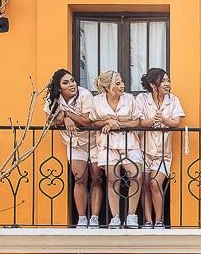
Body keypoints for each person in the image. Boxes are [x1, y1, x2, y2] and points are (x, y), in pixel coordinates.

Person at [43, 69, 103, 227]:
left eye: (72, 80)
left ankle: (95, 218)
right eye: (66, 83)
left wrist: (67, 115)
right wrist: (60, 116)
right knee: (79, 179)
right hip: (73, 143)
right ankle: (82, 218)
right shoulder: (53, 99)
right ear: (59, 87)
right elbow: (50, 121)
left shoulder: (84, 95)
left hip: (93, 142)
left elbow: (87, 121)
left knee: (96, 178)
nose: (71, 85)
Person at [91, 71, 143, 229]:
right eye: (118, 83)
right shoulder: (97, 101)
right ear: (107, 87)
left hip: (129, 143)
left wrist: (118, 124)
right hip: (107, 144)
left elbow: (137, 122)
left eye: (122, 82)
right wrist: (107, 121)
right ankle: (115, 217)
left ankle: (132, 215)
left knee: (136, 176)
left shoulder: (130, 99)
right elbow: (94, 122)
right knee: (113, 180)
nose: (123, 86)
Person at [135, 67, 185, 229]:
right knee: (145, 184)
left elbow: (176, 122)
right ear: (152, 84)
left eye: (167, 80)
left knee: (156, 183)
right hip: (143, 149)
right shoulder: (142, 99)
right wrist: (151, 121)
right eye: (163, 81)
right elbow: (140, 122)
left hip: (163, 152)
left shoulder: (173, 100)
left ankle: (159, 220)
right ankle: (149, 220)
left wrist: (162, 118)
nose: (167, 84)